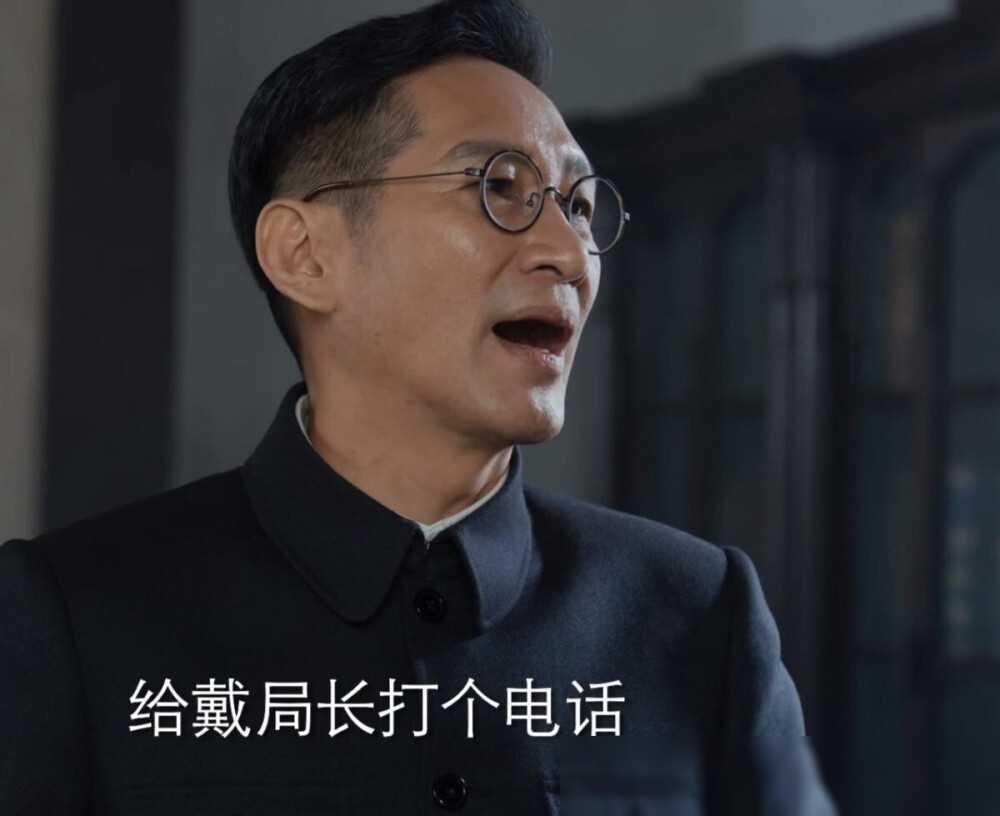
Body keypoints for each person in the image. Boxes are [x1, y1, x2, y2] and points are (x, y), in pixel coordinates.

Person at [0, 0, 837, 813]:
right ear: (305, 255)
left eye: (579, 207)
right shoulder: (74, 618)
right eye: (499, 187)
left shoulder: (697, 614)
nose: (569, 253)